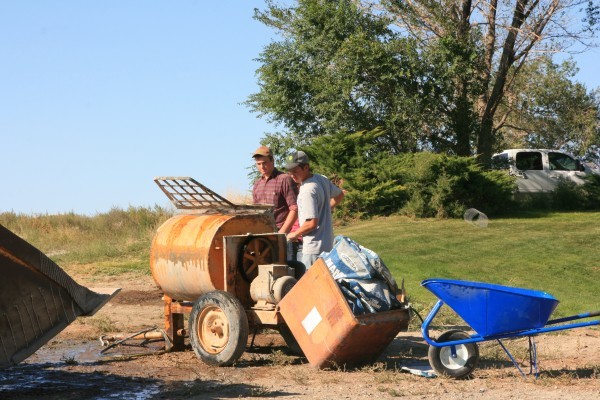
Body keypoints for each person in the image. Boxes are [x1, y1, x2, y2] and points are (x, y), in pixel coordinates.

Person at [284, 150, 344, 269]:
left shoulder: (307, 190)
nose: (292, 175)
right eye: (290, 172)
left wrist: (294, 234)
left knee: (309, 286)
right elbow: (340, 195)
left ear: (306, 167)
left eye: (295, 171)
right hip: (328, 246)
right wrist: (325, 209)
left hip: (313, 248)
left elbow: (311, 223)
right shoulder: (321, 179)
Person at [252, 145, 301, 260]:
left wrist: (282, 234)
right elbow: (256, 212)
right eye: (258, 164)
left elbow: (295, 209)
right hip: (264, 237)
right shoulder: (257, 184)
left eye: (265, 163)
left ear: (272, 160)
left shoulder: (284, 179)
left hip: (283, 236)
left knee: (287, 272)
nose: (262, 166)